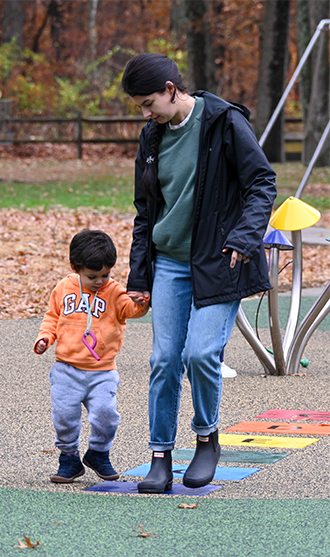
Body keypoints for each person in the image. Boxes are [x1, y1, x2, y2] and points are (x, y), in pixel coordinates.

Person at [121, 53, 275, 493]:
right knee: (164, 360)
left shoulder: (224, 121)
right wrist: (139, 275)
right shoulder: (151, 137)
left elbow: (262, 183)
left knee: (201, 355)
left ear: (172, 89)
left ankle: (207, 440)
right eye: (140, 107)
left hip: (220, 259)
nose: (146, 114)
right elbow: (145, 209)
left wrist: (245, 239)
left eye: (149, 102)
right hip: (169, 261)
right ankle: (160, 457)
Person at [34, 230, 149, 484]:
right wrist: (45, 338)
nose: (99, 281)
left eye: (105, 275)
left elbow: (131, 310)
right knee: (64, 417)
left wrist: (141, 302)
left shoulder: (114, 291)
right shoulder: (64, 288)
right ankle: (69, 459)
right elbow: (52, 317)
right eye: (92, 276)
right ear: (75, 268)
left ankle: (98, 452)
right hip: (67, 368)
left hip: (103, 371)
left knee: (106, 415)